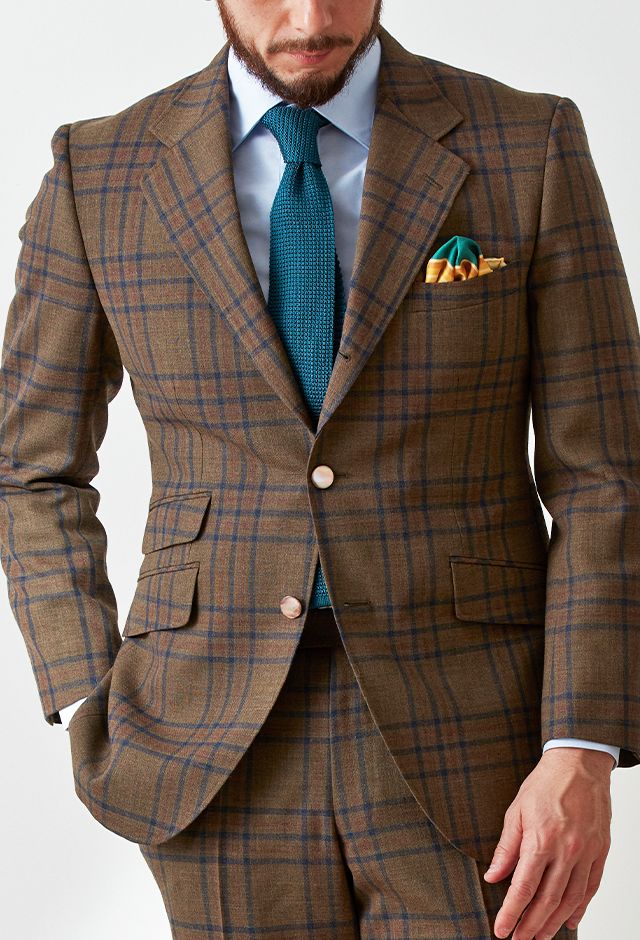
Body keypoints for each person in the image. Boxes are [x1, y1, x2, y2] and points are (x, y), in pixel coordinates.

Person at [1, 1, 637, 937]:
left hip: (474, 735)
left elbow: (606, 474)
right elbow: (31, 466)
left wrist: (581, 742)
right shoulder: (100, 169)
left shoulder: (526, 142)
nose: (310, 18)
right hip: (206, 738)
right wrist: (87, 689)